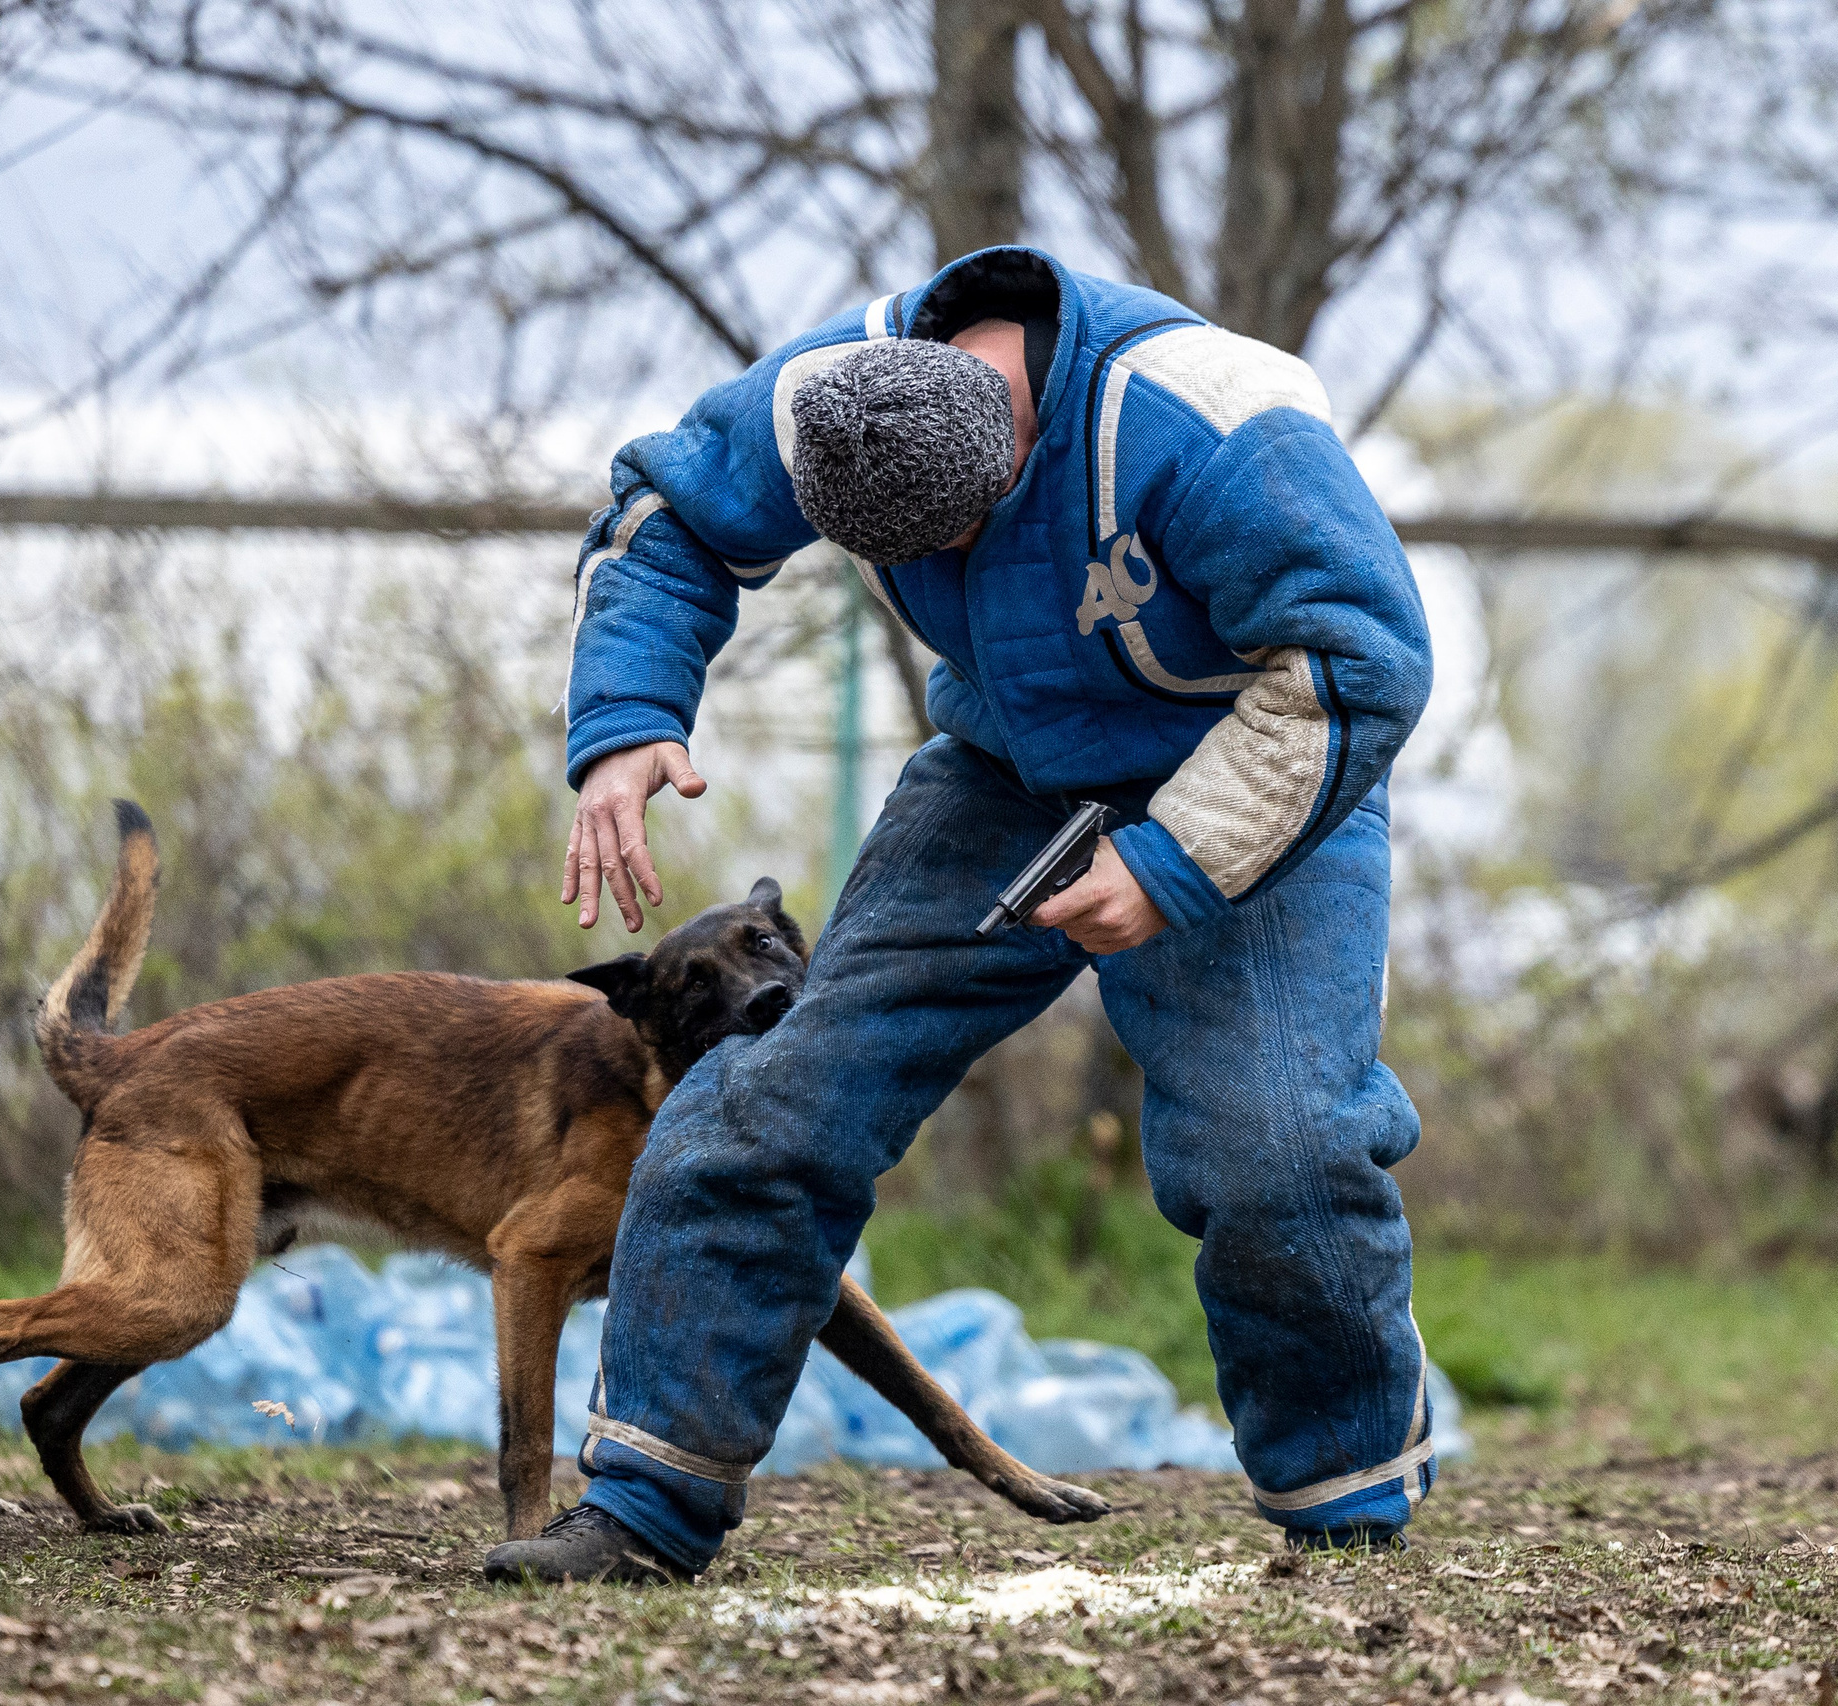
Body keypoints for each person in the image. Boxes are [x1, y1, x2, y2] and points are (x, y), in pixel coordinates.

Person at [483, 246, 1434, 1585]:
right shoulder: (823, 395)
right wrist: (627, 721)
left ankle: (1348, 1499)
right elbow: (673, 517)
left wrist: (1171, 863)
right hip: (1007, 773)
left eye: (954, 543)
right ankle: (649, 1496)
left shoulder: (1214, 422)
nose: (936, 575)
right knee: (778, 1095)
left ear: (1018, 454)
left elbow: (1360, 660)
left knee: (1276, 1147)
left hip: (1258, 754)